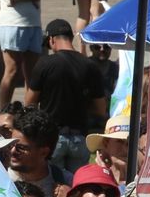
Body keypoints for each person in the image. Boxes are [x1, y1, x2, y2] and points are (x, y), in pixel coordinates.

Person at [26, 18, 106, 172]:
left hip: (52, 138)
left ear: (51, 39)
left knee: (52, 187)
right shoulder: (90, 66)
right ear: (71, 37)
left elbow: (30, 103)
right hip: (80, 139)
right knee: (77, 189)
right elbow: (101, 109)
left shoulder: (45, 64)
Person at [7, 106, 72, 197]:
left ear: (44, 152)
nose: (12, 151)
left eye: (21, 148)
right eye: (11, 144)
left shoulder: (66, 182)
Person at [86, 114, 130, 182]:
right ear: (106, 143)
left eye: (129, 143)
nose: (125, 149)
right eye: (119, 142)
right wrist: (104, 175)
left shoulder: (143, 180)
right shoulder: (92, 179)